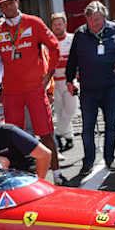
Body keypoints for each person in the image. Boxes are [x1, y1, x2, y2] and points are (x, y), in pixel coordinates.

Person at [0, 0, 65, 184]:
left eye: (10, 3)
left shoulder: (34, 22)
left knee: (45, 132)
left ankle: (57, 174)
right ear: (0, 8)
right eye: (3, 5)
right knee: (14, 136)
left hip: (34, 89)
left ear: (17, 2)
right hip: (11, 92)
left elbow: (54, 47)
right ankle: (21, 177)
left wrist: (49, 74)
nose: (8, 7)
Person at [65, 1, 115, 176]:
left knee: (111, 125)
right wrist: (70, 80)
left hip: (110, 88)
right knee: (87, 128)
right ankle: (88, 162)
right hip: (88, 90)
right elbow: (72, 60)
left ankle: (110, 159)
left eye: (97, 19)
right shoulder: (80, 34)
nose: (94, 23)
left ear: (104, 17)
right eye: (90, 20)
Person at [48, 12, 78, 153]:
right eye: (55, 24)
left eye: (60, 24)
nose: (57, 27)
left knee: (71, 109)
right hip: (54, 83)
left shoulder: (73, 39)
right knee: (60, 112)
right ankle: (69, 138)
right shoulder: (48, 42)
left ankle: (58, 133)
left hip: (70, 81)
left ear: (65, 24)